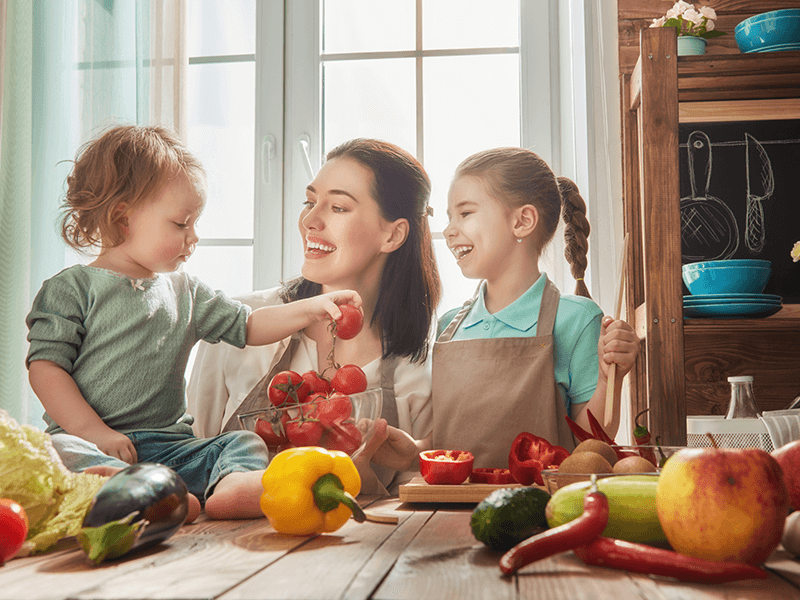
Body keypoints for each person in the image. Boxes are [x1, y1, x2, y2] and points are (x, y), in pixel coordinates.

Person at [26, 125, 361, 519]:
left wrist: (311, 307)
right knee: (59, 451)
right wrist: (94, 432)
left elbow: (249, 326)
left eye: (194, 224)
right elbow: (45, 370)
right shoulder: (72, 288)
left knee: (239, 443)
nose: (194, 237)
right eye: (181, 224)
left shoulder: (187, 291)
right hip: (88, 442)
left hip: (169, 447)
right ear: (122, 219)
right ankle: (135, 490)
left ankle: (226, 486)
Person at [187, 137, 442, 498]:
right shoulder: (240, 324)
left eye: (337, 207)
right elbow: (190, 456)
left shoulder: (419, 370)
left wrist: (361, 481)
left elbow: (408, 511)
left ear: (393, 234)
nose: (310, 220)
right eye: (309, 202)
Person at [377, 147, 641, 471]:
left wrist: (607, 377)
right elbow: (454, 438)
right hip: (449, 509)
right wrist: (414, 451)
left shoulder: (577, 320)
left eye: (466, 213)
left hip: (537, 512)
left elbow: (590, 442)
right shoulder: (449, 327)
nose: (448, 230)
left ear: (522, 221)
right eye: (448, 217)